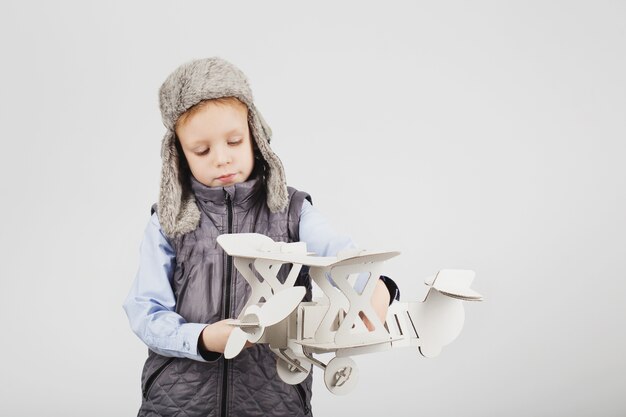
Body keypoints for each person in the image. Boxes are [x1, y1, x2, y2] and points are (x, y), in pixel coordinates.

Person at [123, 57, 400, 417]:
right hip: (176, 403)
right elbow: (145, 310)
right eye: (202, 150)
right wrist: (202, 339)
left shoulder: (294, 210)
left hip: (274, 402)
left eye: (234, 141)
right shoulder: (168, 222)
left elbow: (340, 254)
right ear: (178, 154)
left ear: (255, 135)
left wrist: (378, 288)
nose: (221, 158)